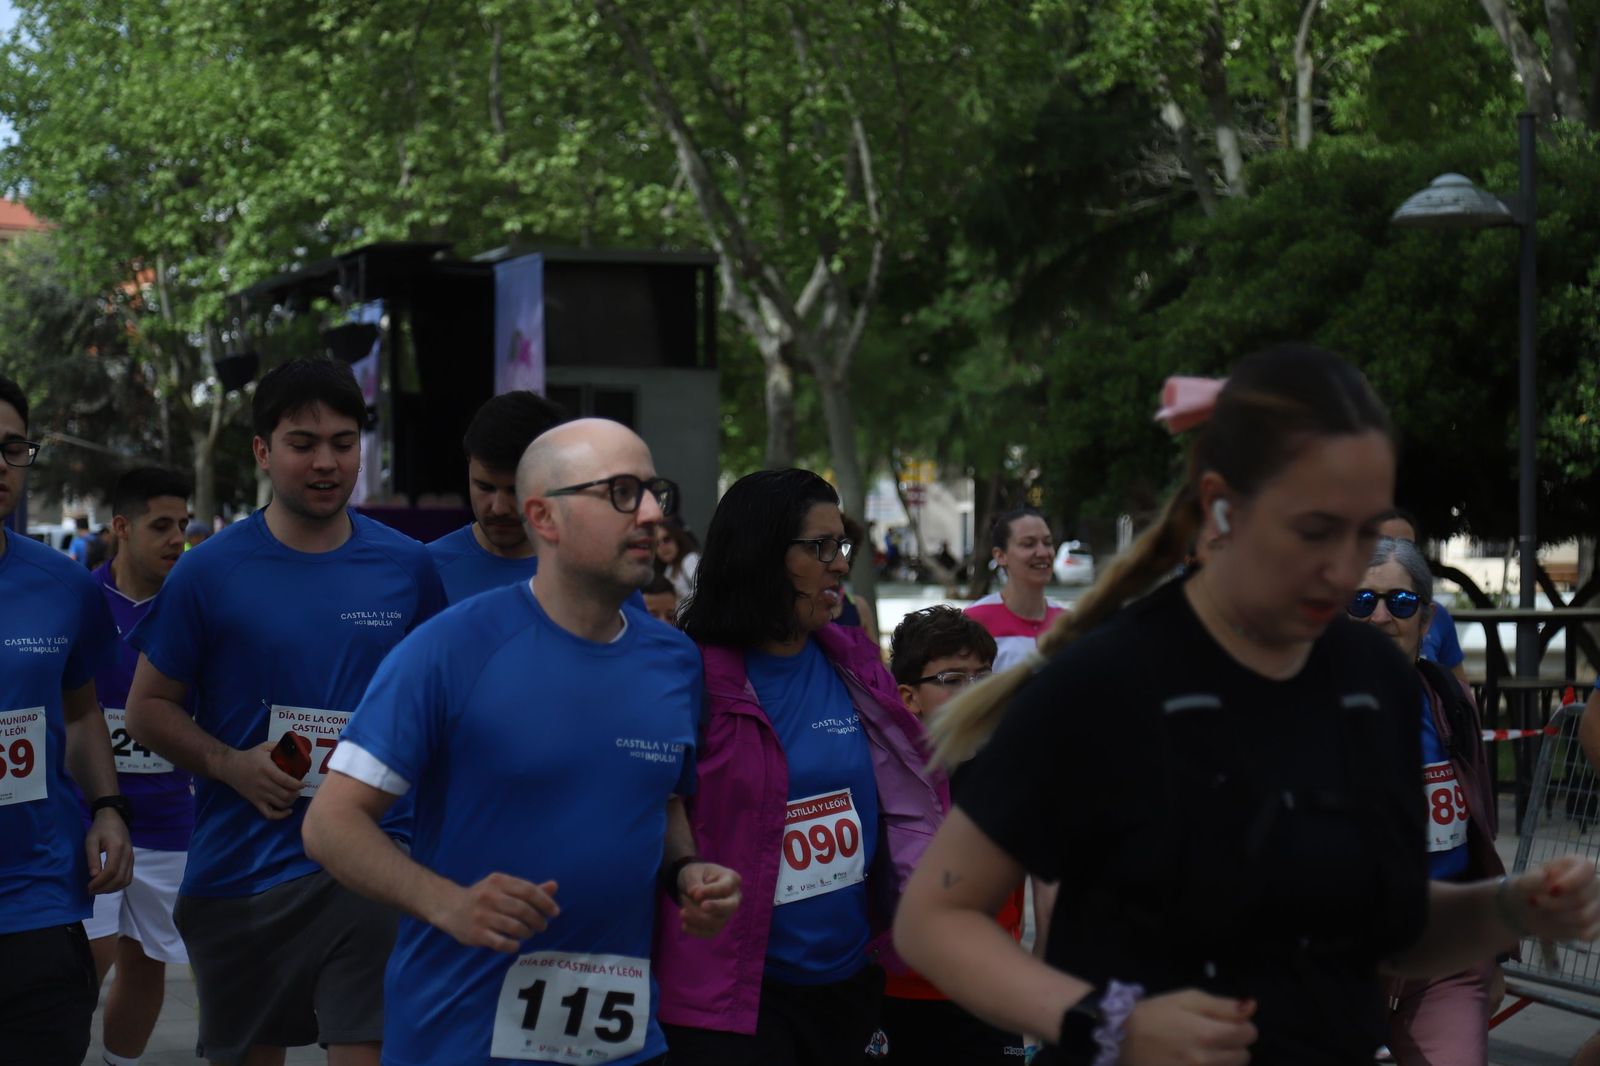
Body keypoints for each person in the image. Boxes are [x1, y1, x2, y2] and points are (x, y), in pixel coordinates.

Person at [893, 345, 1600, 1066]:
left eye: (1366, 532)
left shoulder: (1376, 682)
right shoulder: (1102, 682)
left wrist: (1507, 907)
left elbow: (1382, 923)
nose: (1343, 564)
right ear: (1222, 507)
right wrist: (1111, 1024)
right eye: (1315, 528)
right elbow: (934, 921)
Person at [303, 419, 740, 1066]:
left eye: (654, 491)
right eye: (622, 492)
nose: (651, 513)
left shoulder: (674, 660)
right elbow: (331, 824)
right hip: (459, 1038)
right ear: (545, 517)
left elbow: (663, 800)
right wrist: (447, 903)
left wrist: (685, 873)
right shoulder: (449, 648)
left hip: (620, 1040)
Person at [126, 358, 446, 1066]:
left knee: (366, 1049)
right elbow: (147, 708)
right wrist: (229, 765)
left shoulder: (409, 568)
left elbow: (436, 711)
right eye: (303, 443)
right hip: (244, 872)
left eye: (343, 441)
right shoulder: (210, 572)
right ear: (264, 452)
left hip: (371, 862)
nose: (327, 462)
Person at [659, 469, 948, 1065]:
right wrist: (686, 869)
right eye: (819, 548)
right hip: (735, 1000)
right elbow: (654, 803)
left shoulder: (855, 663)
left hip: (849, 984)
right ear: (761, 556)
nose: (839, 563)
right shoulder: (688, 679)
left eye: (840, 546)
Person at [0, 373, 132, 1066]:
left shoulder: (65, 587)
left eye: (11, 447)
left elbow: (82, 712)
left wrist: (109, 807)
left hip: (39, 903)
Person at [1349, 537, 1505, 1065]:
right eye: (1361, 602)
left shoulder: (1451, 702)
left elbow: (1480, 831)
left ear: (1427, 618)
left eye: (1401, 602)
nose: (1380, 617)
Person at [78, 466, 196, 1066]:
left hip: (171, 828)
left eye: (183, 524)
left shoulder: (196, 605)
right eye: (161, 525)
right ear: (122, 528)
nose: (177, 537)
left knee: (148, 968)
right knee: (79, 972)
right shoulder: (77, 600)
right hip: (88, 823)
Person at [880, 605, 1024, 1063]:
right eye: (952, 680)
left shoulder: (1012, 764)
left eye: (983, 677)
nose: (973, 692)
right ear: (908, 696)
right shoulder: (876, 771)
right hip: (900, 994)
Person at [429, 390, 569, 604]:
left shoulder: (592, 575)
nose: (499, 508)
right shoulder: (425, 571)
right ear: (469, 465)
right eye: (484, 487)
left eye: (514, 491)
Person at [965, 507, 1068, 673]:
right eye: (1028, 544)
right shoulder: (973, 622)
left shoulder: (1068, 622)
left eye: (1048, 543)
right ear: (1000, 556)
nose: (1043, 552)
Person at [1376, 508, 1469, 684]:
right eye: (1383, 545)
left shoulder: (1438, 615)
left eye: (1406, 546)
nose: (1394, 554)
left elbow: (1459, 685)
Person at [654, 517, 701, 603]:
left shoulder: (690, 560)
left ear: (677, 539)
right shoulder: (668, 571)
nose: (662, 547)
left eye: (666, 539)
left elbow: (704, 591)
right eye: (656, 543)